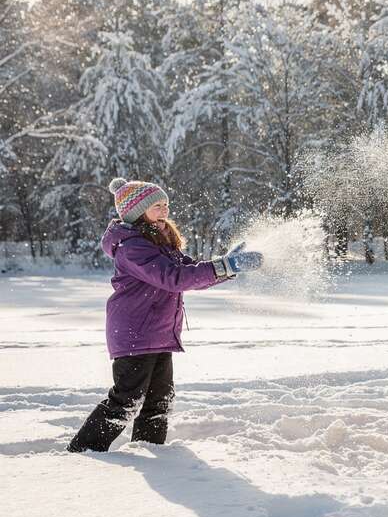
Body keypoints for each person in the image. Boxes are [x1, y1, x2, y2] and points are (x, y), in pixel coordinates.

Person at [67, 177, 264, 453]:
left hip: (157, 333)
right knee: (127, 399)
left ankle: (151, 452)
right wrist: (224, 266)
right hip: (135, 334)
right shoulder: (132, 247)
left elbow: (191, 269)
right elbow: (174, 278)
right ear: (137, 211)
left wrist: (226, 267)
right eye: (157, 206)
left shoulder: (160, 240)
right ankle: (82, 451)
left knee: (160, 400)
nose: (164, 210)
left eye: (165, 204)